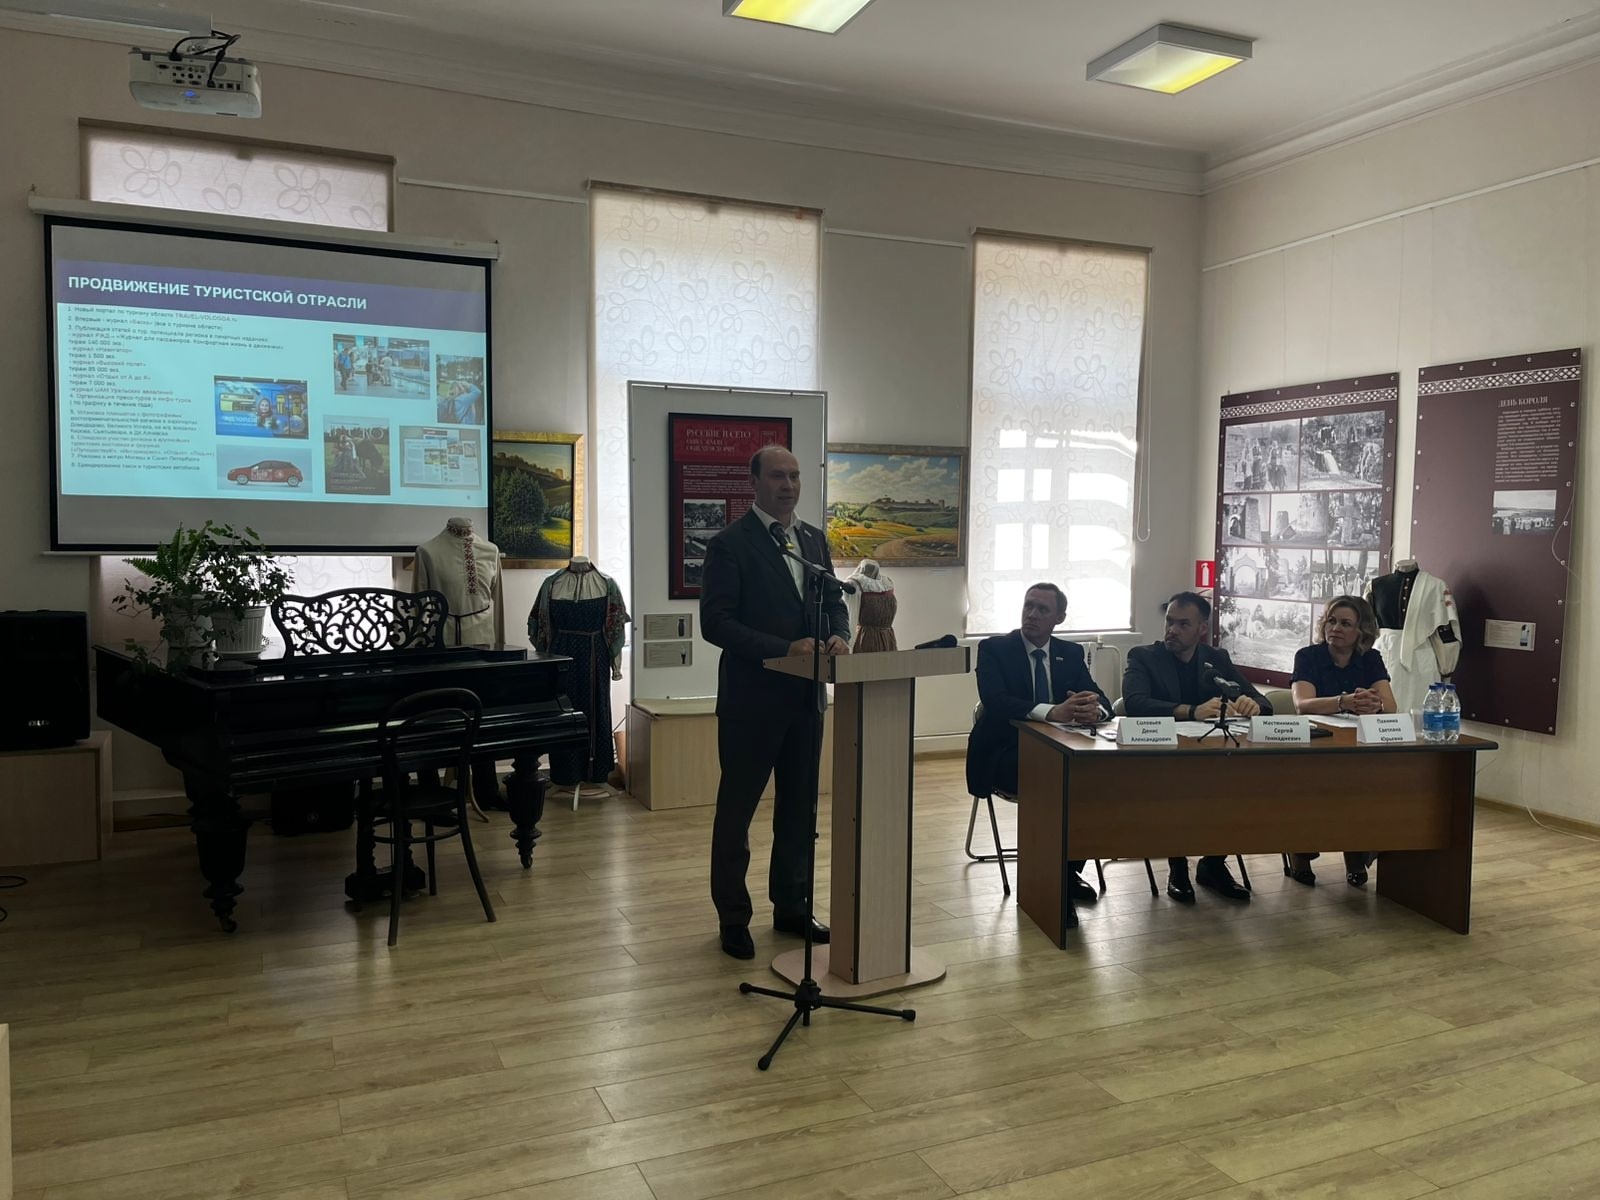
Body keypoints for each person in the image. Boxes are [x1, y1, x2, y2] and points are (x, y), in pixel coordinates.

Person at [701, 445, 850, 960]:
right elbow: (716, 623)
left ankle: (791, 906)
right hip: (752, 702)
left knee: (800, 809)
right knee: (736, 813)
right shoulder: (729, 544)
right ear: (755, 483)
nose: (789, 486)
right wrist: (784, 648)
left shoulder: (812, 540)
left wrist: (839, 635)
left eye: (795, 476)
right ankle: (733, 917)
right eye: (778, 476)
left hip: (807, 700)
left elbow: (834, 600)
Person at [1122, 591, 1272, 904]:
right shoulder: (1143, 656)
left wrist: (1253, 705)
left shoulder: (1216, 660)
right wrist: (1191, 711)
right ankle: (1178, 868)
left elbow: (1261, 700)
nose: (1172, 630)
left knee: (1244, 787)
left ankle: (1213, 865)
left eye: (1183, 624)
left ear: (1202, 628)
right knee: (1179, 791)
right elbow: (1135, 703)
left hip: (1213, 759)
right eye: (1169, 622)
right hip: (1161, 759)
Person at [967, 582, 1110, 904]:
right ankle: (1052, 880)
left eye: (1042, 609)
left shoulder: (1070, 653)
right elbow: (994, 700)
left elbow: (1098, 697)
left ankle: (1067, 873)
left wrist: (1094, 710)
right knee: (1056, 782)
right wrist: (1051, 711)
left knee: (1093, 781)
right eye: (1028, 605)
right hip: (1006, 752)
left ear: (1059, 618)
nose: (1031, 614)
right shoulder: (995, 649)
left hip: (1062, 752)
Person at [1285, 595, 1396, 888]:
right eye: (1331, 621)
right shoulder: (1308, 656)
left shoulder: (1370, 658)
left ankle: (1356, 852)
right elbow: (1302, 705)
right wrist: (1343, 702)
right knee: (1312, 789)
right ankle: (1301, 854)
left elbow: (1390, 705)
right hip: (1312, 745)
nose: (1335, 628)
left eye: (1345, 624)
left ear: (1362, 631)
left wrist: (1374, 704)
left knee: (1367, 789)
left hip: (1356, 746)